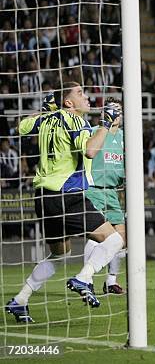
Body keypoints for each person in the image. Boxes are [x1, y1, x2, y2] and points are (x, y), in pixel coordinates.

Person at [6, 84, 124, 323]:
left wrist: (45, 110)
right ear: (68, 103)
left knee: (59, 255)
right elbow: (91, 151)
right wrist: (105, 123)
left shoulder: (45, 119)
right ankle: (84, 278)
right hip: (66, 193)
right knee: (114, 239)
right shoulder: (76, 121)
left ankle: (20, 300)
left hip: (42, 196)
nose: (87, 96)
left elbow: (20, 127)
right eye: (80, 94)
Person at [84, 97, 127, 295]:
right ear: (103, 113)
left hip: (112, 192)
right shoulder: (95, 132)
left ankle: (110, 282)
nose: (115, 113)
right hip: (94, 189)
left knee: (120, 237)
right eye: (111, 109)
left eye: (118, 110)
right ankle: (87, 279)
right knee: (96, 236)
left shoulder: (126, 137)